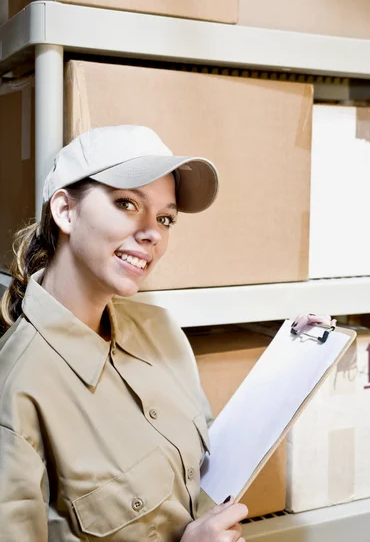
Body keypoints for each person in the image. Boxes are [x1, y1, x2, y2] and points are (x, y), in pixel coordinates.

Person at [0, 125, 334, 541]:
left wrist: (290, 355)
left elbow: (214, 462)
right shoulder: (16, 392)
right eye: (126, 203)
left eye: (165, 218)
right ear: (66, 211)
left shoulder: (161, 330)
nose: (153, 233)